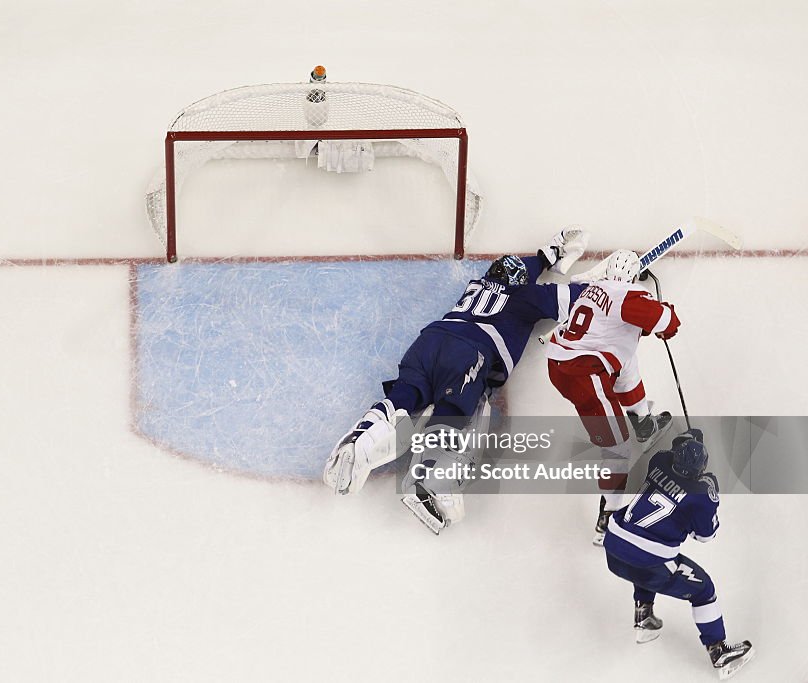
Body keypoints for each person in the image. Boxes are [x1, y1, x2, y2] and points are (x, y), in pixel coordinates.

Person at [322, 227, 589, 533]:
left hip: (428, 342)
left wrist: (549, 254)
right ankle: (429, 483)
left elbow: (520, 267)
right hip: (468, 354)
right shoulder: (528, 297)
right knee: (463, 412)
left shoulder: (481, 283)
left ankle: (362, 440)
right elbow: (581, 299)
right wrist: (617, 284)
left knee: (404, 397)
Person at [545, 249, 676, 544]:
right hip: (583, 376)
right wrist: (666, 315)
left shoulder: (593, 290)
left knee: (625, 358)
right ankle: (610, 517)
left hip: (561, 363)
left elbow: (623, 333)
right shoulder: (629, 295)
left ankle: (643, 422)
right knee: (617, 449)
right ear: (633, 276)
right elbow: (664, 321)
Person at [603, 430, 755, 679]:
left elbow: (676, 447)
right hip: (647, 559)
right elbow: (705, 536)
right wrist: (711, 494)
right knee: (703, 590)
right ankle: (719, 653)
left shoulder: (659, 460)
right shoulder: (701, 496)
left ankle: (644, 617)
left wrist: (690, 440)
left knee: (644, 562)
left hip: (614, 546)